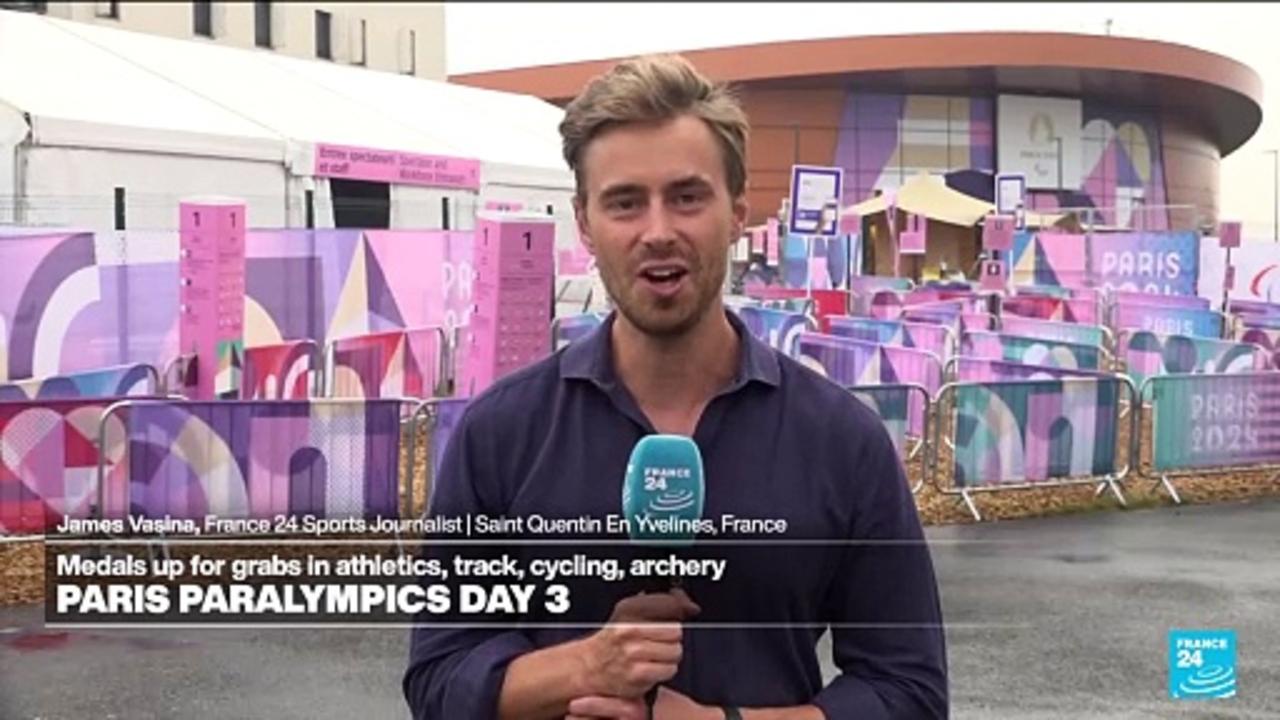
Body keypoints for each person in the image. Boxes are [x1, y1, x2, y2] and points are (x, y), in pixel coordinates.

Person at [404, 54, 947, 719]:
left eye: (687, 197)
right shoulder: (499, 434)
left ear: (738, 210)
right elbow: (438, 680)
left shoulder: (843, 441)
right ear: (586, 223)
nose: (657, 231)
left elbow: (909, 695)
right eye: (625, 202)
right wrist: (584, 665)